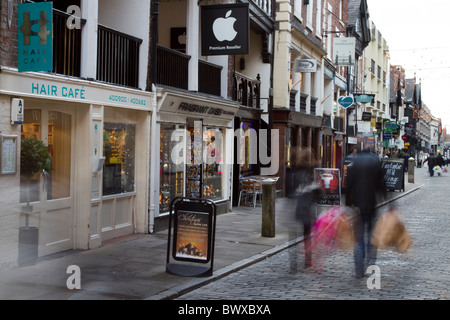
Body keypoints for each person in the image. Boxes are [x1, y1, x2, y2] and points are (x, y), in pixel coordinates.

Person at [345, 147, 387, 278]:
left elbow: (348, 186)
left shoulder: (354, 163)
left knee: (359, 239)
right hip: (371, 205)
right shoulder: (375, 163)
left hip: (357, 206)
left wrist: (346, 204)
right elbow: (381, 185)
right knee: (371, 237)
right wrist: (388, 201)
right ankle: (370, 264)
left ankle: (358, 268)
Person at [286, 147, 320, 272]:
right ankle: (307, 261)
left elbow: (288, 192)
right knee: (307, 236)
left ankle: (293, 263)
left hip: (293, 209)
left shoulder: (291, 173)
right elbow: (317, 195)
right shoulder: (310, 175)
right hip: (306, 210)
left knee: (293, 237)